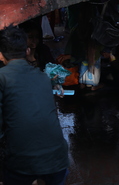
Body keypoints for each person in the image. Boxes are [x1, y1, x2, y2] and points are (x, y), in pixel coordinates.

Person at [0, 26, 69, 185]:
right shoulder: (43, 77)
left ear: (1, 55)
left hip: (22, 162)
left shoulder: (2, 78)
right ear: (27, 51)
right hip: (58, 158)